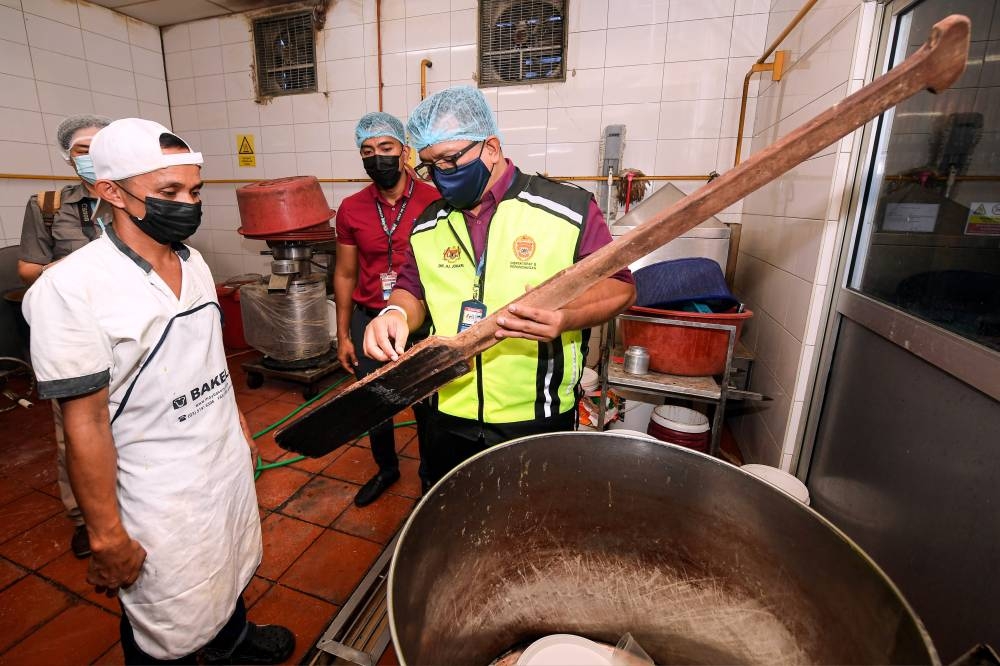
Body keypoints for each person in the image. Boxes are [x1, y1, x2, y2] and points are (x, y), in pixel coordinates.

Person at [22, 118, 294, 665]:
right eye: (168, 192)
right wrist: (105, 536)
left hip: (219, 462)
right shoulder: (71, 288)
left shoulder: (193, 264)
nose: (187, 204)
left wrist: (237, 425)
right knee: (162, 616)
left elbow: (206, 358)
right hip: (157, 493)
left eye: (194, 191)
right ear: (110, 190)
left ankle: (232, 641)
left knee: (228, 562)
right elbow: (86, 426)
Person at [364, 86, 635, 486]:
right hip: (447, 410)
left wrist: (565, 315)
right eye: (428, 166)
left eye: (450, 161)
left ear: (491, 147)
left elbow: (619, 286)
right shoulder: (428, 222)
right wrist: (396, 313)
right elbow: (412, 289)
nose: (440, 176)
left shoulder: (567, 209)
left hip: (535, 415)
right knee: (449, 520)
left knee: (533, 531)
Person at [18, 114, 113, 559]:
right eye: (81, 149)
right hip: (74, 332)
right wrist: (59, 269)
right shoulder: (49, 204)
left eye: (100, 145)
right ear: (67, 157)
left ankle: (129, 505)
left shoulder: (129, 194)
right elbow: (26, 268)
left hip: (123, 325)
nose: (91, 155)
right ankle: (84, 517)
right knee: (73, 429)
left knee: (128, 420)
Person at [334, 112, 440, 504]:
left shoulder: (437, 200)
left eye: (385, 148)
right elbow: (345, 274)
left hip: (421, 319)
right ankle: (387, 470)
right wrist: (344, 334)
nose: (377, 157)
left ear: (405, 151)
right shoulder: (351, 208)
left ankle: (431, 478)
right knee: (374, 403)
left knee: (428, 405)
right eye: (367, 151)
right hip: (368, 319)